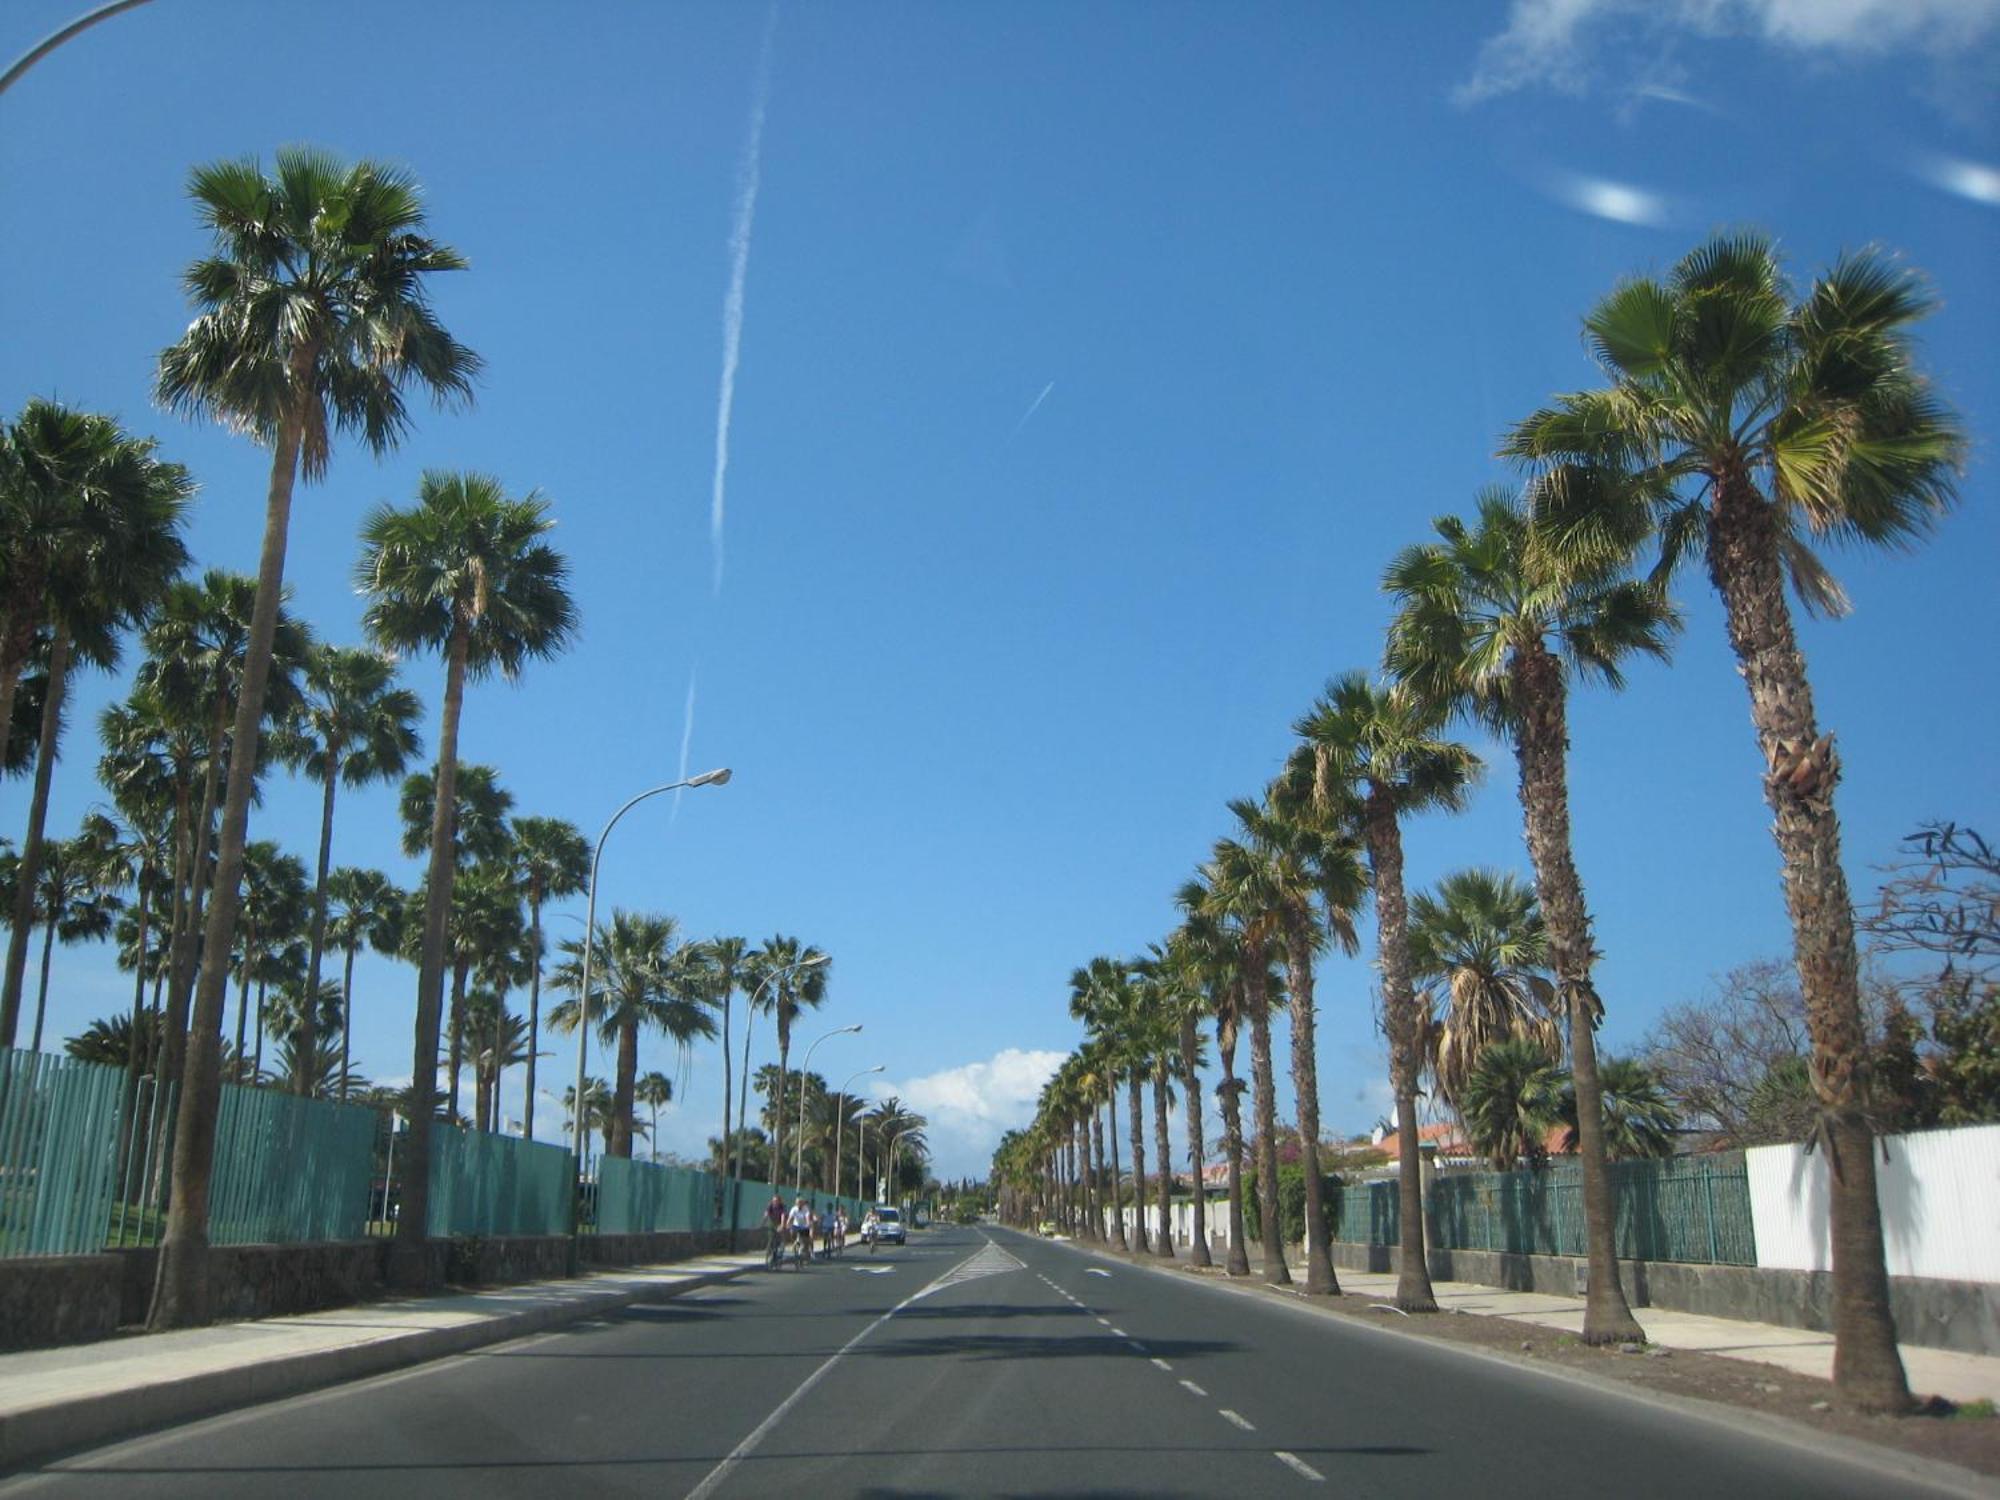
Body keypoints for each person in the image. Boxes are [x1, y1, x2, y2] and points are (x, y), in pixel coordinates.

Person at [787, 1197, 813, 1268]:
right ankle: (794, 1242)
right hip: (796, 1225)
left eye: (801, 1203)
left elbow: (807, 1218)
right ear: (796, 1203)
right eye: (798, 1203)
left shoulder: (806, 1209)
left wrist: (808, 1224)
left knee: (804, 1244)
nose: (799, 1204)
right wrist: (788, 1224)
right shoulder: (794, 1209)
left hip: (804, 1226)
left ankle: (802, 1256)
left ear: (803, 1203)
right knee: (791, 1232)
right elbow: (790, 1218)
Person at [764, 1192, 788, 1269]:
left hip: (779, 1224)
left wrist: (781, 1225)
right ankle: (768, 1254)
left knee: (778, 1241)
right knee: (770, 1239)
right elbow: (766, 1214)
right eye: (774, 1201)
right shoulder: (770, 1206)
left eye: (777, 1201)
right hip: (771, 1224)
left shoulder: (782, 1207)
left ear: (779, 1201)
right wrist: (762, 1222)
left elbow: (783, 1216)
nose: (775, 1202)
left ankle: (777, 1255)